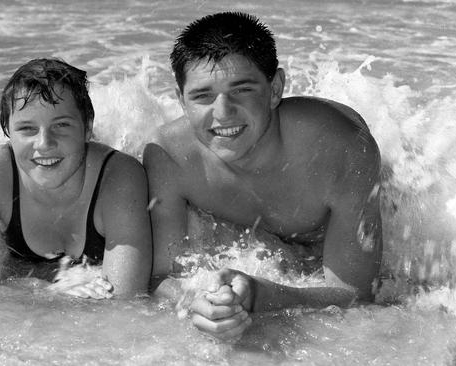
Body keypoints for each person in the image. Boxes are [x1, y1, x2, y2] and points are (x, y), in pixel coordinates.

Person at [144, 12, 382, 340]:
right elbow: (160, 277)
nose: (223, 112)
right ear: (180, 99)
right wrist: (200, 303)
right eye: (202, 96)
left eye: (241, 90)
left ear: (275, 89)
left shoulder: (339, 149)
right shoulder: (168, 156)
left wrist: (265, 296)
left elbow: (356, 299)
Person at [0, 58, 152, 299]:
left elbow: (127, 303)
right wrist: (50, 291)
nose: (44, 144)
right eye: (27, 129)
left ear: (88, 127)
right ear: (7, 131)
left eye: (61, 125)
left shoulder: (119, 178)